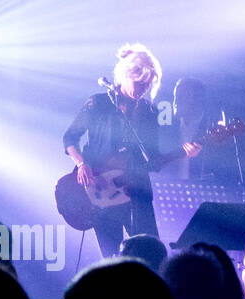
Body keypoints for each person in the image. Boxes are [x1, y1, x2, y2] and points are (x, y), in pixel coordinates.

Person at [62, 43, 201, 257]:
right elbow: (69, 138)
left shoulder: (148, 112)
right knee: (111, 258)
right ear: (125, 74)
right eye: (139, 82)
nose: (142, 88)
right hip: (101, 190)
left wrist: (183, 152)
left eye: (147, 85)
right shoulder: (99, 103)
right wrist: (81, 164)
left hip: (137, 191)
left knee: (151, 254)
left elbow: (152, 160)